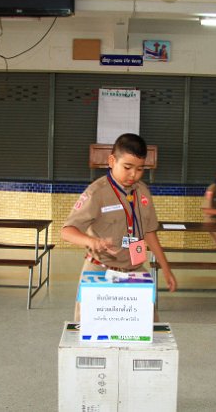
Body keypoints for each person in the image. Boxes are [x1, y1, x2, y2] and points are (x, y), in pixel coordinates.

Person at [61, 133, 177, 321]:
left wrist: (166, 268)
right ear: (112, 161)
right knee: (89, 326)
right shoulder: (97, 193)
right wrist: (92, 241)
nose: (133, 175)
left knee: (147, 325)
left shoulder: (142, 191)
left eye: (140, 169)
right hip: (100, 269)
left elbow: (149, 232)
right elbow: (67, 231)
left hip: (134, 269)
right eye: (127, 167)